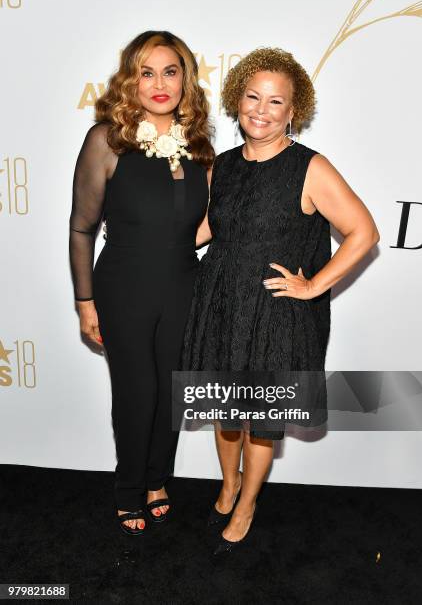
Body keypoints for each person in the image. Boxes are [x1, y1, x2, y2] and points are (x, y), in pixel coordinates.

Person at [182, 47, 380, 554]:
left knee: (259, 420)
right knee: (226, 411)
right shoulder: (222, 166)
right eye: (252, 97)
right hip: (222, 304)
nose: (261, 109)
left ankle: (247, 501)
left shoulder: (310, 168)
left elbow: (363, 231)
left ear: (294, 110)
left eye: (276, 101)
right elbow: (205, 230)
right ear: (237, 100)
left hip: (274, 313)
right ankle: (228, 485)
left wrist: (313, 285)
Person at [69, 30, 214, 534]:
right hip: (123, 285)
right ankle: (128, 488)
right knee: (137, 391)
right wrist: (84, 301)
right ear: (131, 79)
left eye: (170, 72)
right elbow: (82, 226)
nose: (159, 84)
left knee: (172, 390)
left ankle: (158, 479)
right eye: (147, 72)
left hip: (182, 283)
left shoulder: (199, 146)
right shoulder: (107, 139)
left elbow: (200, 225)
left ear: (184, 79)